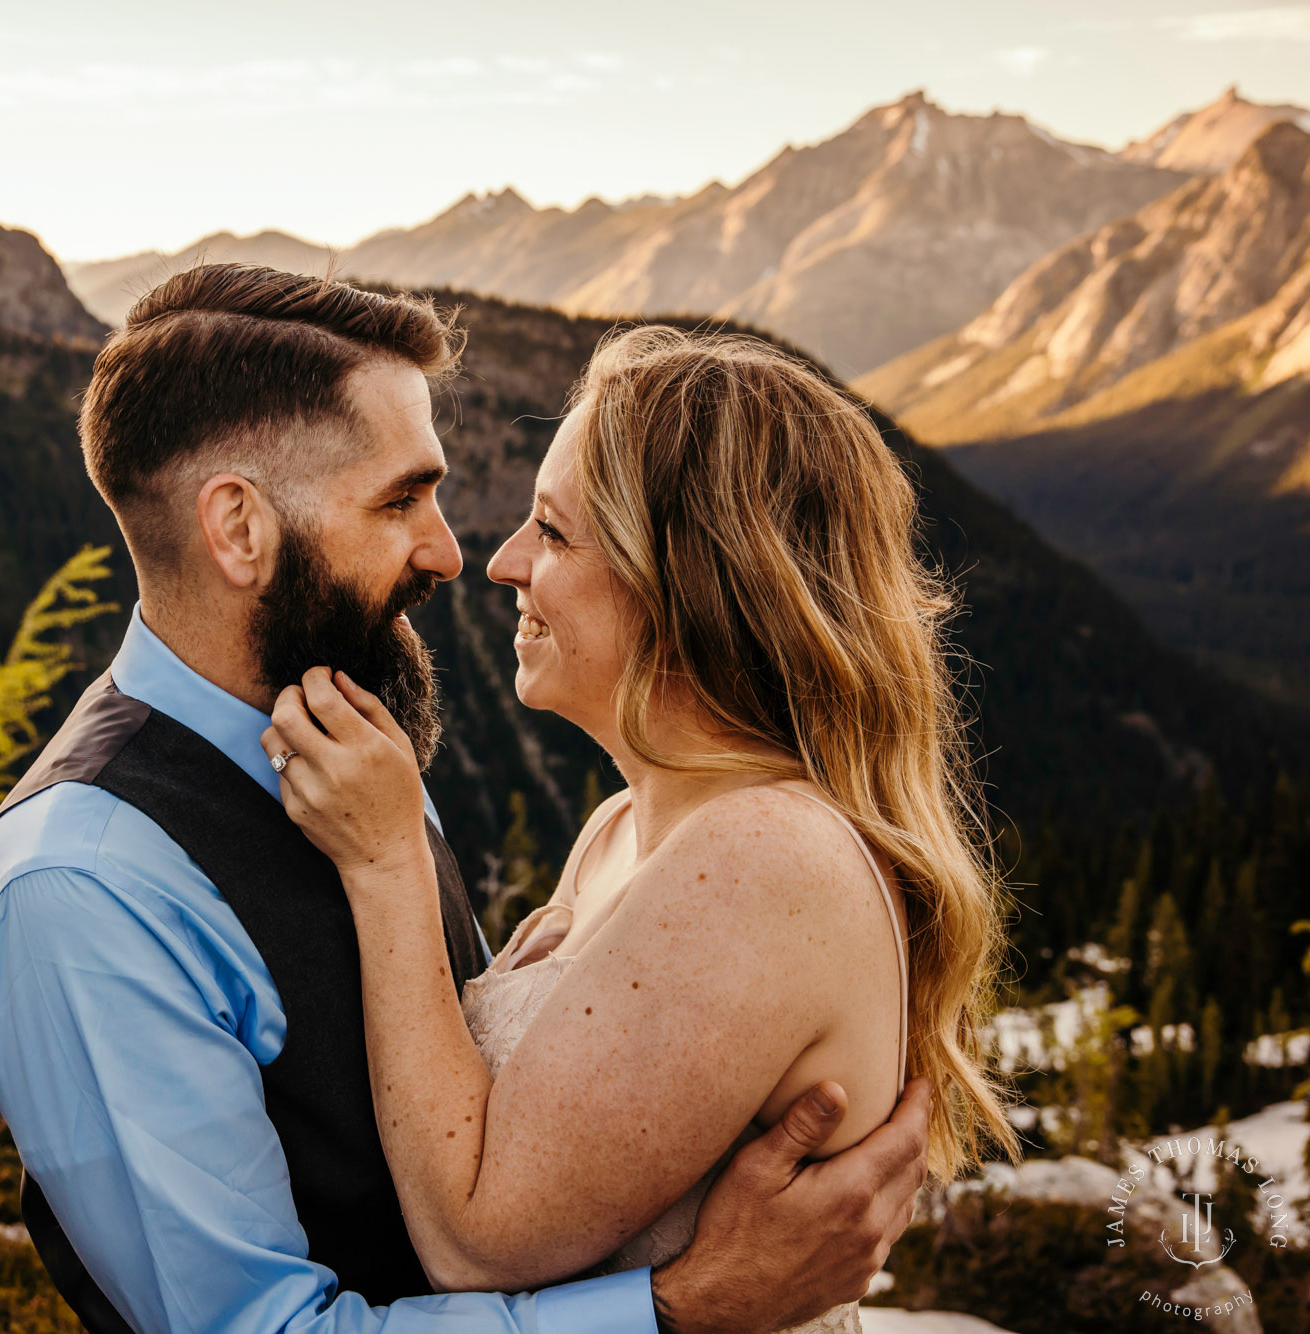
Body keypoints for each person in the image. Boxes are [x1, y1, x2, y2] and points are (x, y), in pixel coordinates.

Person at [0, 266, 934, 1334]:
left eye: (543, 529)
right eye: (399, 498)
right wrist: (680, 1307)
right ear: (237, 527)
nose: (455, 551)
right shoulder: (81, 890)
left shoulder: (354, 757)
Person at [264, 325, 1018, 1332]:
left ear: (689, 583)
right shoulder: (628, 826)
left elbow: (475, 1237)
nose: (503, 561)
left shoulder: (762, 856)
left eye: (555, 530)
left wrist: (385, 855)